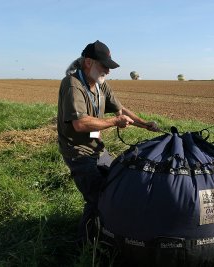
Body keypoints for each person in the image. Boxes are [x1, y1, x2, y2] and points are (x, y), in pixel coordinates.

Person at [57, 40, 160, 242]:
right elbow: (80, 124)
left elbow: (120, 110)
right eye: (104, 66)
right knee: (97, 198)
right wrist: (114, 122)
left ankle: (106, 232)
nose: (108, 71)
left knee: (114, 185)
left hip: (97, 148)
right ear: (88, 62)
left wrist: (144, 124)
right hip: (78, 151)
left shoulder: (101, 85)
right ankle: (85, 245)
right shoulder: (72, 84)